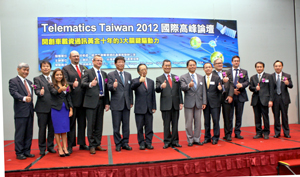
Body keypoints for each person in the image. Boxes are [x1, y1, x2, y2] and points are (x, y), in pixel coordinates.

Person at [81, 55, 110, 154]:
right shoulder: (87, 72)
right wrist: (90, 84)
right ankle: (91, 145)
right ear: (93, 61)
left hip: (101, 101)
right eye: (97, 60)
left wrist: (107, 102)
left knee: (99, 124)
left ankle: (97, 143)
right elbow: (82, 83)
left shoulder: (104, 73)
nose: (99, 62)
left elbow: (106, 89)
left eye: (101, 61)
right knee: (91, 125)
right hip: (90, 102)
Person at [62, 50, 89, 153]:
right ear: (70, 58)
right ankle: (70, 145)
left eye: (77, 56)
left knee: (82, 124)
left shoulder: (84, 68)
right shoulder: (65, 69)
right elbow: (64, 82)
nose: (76, 58)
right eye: (74, 56)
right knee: (71, 124)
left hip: (84, 100)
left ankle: (82, 143)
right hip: (72, 101)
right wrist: (72, 84)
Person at [9, 63, 35, 160]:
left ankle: (27, 151)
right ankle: (19, 152)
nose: (26, 72)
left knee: (29, 132)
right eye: (24, 69)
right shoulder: (13, 81)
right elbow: (14, 93)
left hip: (30, 111)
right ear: (18, 69)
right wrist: (23, 98)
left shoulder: (29, 82)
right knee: (20, 133)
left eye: (27, 70)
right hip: (21, 112)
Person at [107, 56, 133, 152]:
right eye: (119, 62)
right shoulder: (111, 75)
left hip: (126, 104)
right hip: (116, 104)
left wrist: (131, 101)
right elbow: (108, 87)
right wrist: (113, 86)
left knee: (126, 125)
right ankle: (118, 144)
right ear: (115, 64)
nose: (121, 64)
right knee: (116, 126)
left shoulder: (128, 75)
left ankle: (125, 143)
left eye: (122, 62)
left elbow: (130, 90)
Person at [156, 59, 183, 149]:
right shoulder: (159, 78)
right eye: (166, 65)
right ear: (163, 67)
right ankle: (167, 141)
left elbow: (179, 91)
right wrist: (161, 86)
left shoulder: (176, 77)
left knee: (175, 124)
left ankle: (175, 141)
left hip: (175, 104)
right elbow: (157, 89)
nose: (168, 67)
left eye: (169, 65)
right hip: (166, 105)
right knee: (166, 124)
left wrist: (181, 102)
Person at [180, 59, 206, 146]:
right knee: (188, 123)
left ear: (196, 66)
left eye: (194, 65)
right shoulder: (183, 77)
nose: (192, 66)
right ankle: (190, 140)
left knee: (198, 122)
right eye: (190, 65)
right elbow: (182, 87)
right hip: (189, 103)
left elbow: (204, 91)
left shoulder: (201, 77)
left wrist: (204, 102)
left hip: (199, 103)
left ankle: (197, 139)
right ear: (187, 67)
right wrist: (188, 86)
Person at [49, 68, 73, 157]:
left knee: (64, 130)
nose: (59, 76)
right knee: (58, 130)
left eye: (60, 75)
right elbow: (54, 93)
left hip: (65, 109)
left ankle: (65, 148)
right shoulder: (51, 85)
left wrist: (71, 109)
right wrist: (60, 89)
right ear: (54, 76)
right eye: (57, 75)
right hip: (56, 110)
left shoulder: (65, 84)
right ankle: (59, 148)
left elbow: (68, 98)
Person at [131, 64, 156, 150]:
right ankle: (141, 143)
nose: (144, 71)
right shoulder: (135, 81)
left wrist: (154, 106)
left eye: (145, 69)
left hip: (149, 109)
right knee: (139, 128)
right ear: (138, 72)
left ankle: (148, 143)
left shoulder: (151, 81)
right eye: (142, 70)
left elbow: (153, 95)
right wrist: (140, 81)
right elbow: (132, 88)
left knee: (149, 128)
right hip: (139, 109)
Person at [34, 61, 56, 155]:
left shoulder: (54, 78)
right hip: (42, 108)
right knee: (42, 129)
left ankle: (50, 146)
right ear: (41, 68)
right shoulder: (37, 79)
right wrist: (40, 92)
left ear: (50, 68)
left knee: (52, 129)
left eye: (47, 66)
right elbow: (36, 90)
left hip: (54, 108)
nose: (46, 68)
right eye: (44, 66)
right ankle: (42, 148)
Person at [249, 62, 274, 139]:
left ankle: (266, 132)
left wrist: (271, 100)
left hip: (265, 100)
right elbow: (250, 87)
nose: (259, 68)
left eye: (260, 67)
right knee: (257, 117)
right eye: (257, 67)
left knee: (265, 117)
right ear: (255, 68)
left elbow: (271, 89)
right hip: (256, 100)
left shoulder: (269, 76)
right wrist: (255, 89)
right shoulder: (253, 77)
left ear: (263, 67)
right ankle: (258, 132)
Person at [226, 56, 249, 139]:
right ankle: (228, 134)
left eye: (238, 61)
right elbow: (225, 83)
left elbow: (247, 82)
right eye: (235, 61)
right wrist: (232, 91)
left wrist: (242, 85)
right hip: (231, 96)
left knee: (239, 116)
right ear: (232, 62)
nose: (236, 62)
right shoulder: (227, 72)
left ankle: (237, 132)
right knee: (230, 116)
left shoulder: (244, 71)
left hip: (240, 96)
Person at [212, 59, 234, 141]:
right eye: (217, 63)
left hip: (226, 97)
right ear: (214, 65)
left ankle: (228, 135)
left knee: (228, 117)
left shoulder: (227, 72)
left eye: (221, 63)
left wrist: (231, 95)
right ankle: (216, 136)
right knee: (216, 118)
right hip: (216, 98)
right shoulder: (212, 73)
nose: (220, 65)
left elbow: (231, 84)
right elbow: (212, 85)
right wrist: (222, 81)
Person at [272, 60, 293, 138]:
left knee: (285, 116)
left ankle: (286, 132)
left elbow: (291, 86)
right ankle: (277, 132)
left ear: (282, 67)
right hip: (275, 99)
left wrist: (288, 83)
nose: (277, 67)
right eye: (276, 66)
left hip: (284, 99)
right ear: (274, 67)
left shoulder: (287, 75)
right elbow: (270, 88)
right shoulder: (271, 76)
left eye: (279, 66)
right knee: (276, 116)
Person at [203, 63, 222, 145]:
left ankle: (216, 137)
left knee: (216, 121)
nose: (207, 69)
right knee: (206, 122)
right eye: (206, 67)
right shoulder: (202, 78)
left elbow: (220, 90)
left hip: (215, 103)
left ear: (212, 68)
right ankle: (207, 137)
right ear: (204, 69)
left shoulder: (217, 78)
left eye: (209, 67)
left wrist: (220, 89)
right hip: (205, 104)